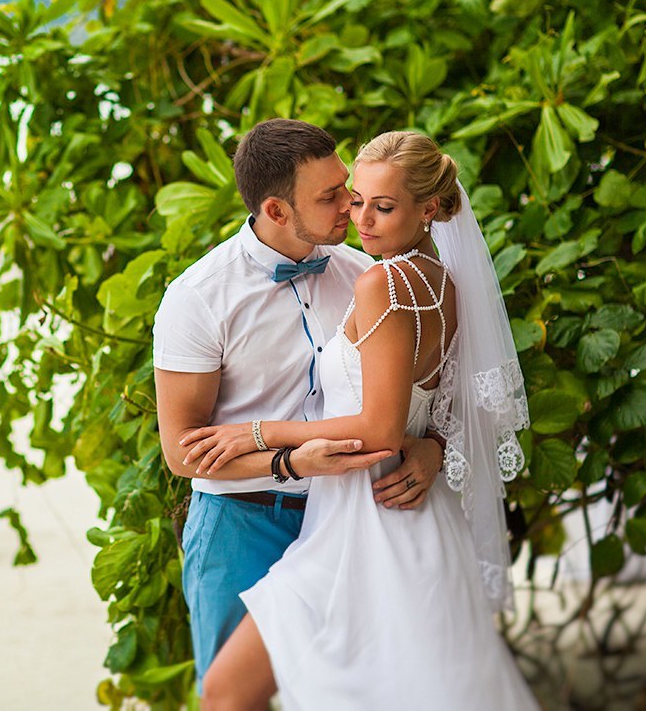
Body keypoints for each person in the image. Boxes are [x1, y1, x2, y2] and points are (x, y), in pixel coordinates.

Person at [182, 131, 538, 710]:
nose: (361, 218)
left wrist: (257, 431)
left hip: (366, 525)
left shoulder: (380, 282)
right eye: (355, 198)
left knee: (229, 692)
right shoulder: (444, 283)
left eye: (383, 206)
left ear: (428, 210)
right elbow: (443, 399)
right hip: (392, 518)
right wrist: (436, 445)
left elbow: (377, 429)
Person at [152, 119, 448, 692]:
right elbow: (182, 453)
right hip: (244, 521)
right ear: (277, 211)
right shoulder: (199, 297)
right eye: (332, 196)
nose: (352, 207)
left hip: (357, 519)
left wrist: (434, 448)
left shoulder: (369, 274)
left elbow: (428, 391)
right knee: (233, 698)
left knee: (356, 694)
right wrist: (291, 463)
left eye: (348, 188)